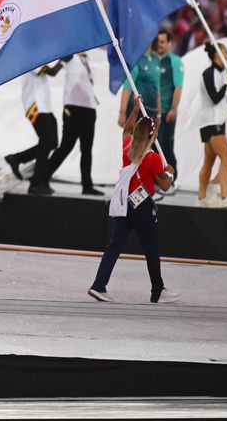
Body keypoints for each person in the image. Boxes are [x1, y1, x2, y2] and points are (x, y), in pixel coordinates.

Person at [88, 114, 177, 304]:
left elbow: (126, 130)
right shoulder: (153, 158)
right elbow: (166, 186)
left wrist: (135, 109)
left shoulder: (127, 148)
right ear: (153, 136)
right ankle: (157, 291)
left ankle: (99, 285)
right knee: (151, 249)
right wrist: (170, 171)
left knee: (115, 245)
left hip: (125, 203)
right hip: (142, 204)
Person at [197, 43, 227, 208]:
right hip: (211, 122)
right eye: (224, 50)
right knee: (226, 157)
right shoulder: (208, 74)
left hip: (218, 122)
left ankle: (201, 197)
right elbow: (215, 98)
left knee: (208, 162)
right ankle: (225, 196)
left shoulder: (224, 74)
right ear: (217, 54)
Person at [44, 53, 101, 195]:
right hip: (73, 109)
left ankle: (87, 185)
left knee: (87, 150)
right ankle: (43, 178)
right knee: (66, 147)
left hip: (89, 108)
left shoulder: (87, 59)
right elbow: (53, 72)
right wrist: (38, 65)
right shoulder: (69, 55)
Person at [4, 62, 63, 194]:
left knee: (52, 143)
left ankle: (17, 158)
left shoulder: (39, 57)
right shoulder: (33, 60)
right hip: (35, 106)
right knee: (46, 142)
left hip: (45, 106)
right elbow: (52, 72)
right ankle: (36, 184)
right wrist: (64, 60)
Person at [154, 31, 185, 188]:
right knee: (152, 147)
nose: (160, 44)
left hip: (167, 112)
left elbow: (178, 87)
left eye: (163, 42)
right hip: (152, 112)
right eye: (158, 41)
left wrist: (173, 108)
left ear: (169, 44)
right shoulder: (151, 60)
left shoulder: (175, 62)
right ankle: (155, 180)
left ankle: (171, 179)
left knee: (166, 146)